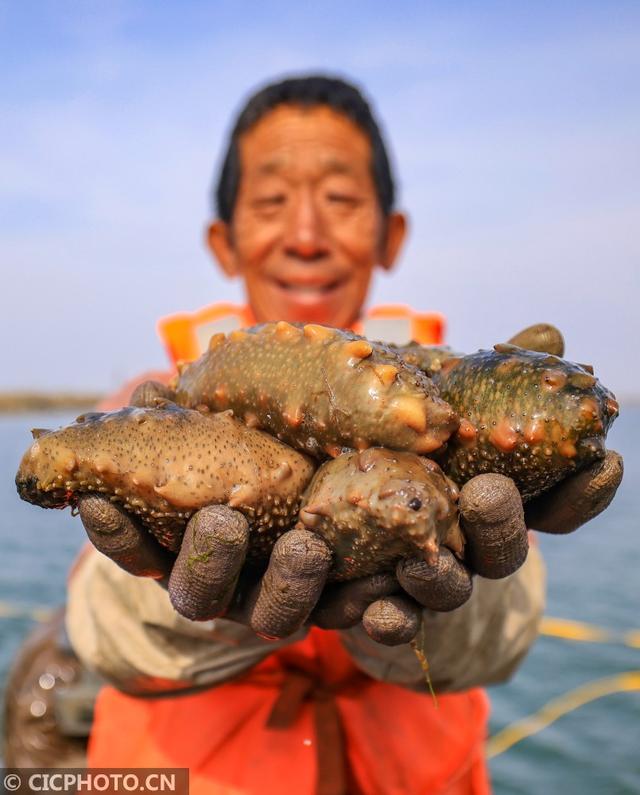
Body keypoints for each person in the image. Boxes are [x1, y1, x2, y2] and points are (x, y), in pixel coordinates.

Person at [9, 75, 623, 793]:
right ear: (224, 239)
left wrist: (438, 609)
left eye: (340, 200)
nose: (305, 234)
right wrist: (188, 607)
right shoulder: (149, 407)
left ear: (390, 234)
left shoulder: (462, 416)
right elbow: (102, 635)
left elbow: (503, 643)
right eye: (271, 202)